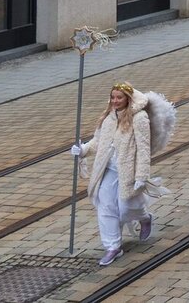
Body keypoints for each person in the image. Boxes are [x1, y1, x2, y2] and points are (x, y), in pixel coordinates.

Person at [70, 82, 173, 266]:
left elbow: (143, 149)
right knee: (105, 204)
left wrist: (142, 176)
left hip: (128, 169)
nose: (115, 101)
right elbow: (98, 141)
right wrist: (83, 149)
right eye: (113, 97)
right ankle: (112, 246)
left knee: (126, 208)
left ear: (128, 98)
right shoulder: (108, 117)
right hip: (107, 168)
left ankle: (144, 218)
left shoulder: (139, 118)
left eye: (119, 97)